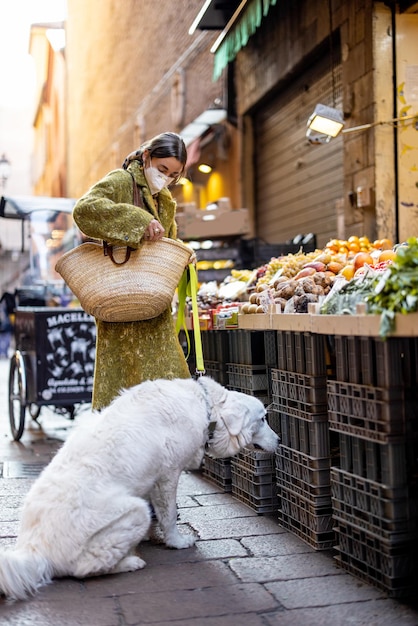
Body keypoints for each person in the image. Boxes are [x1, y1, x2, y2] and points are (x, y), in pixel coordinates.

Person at [73, 131, 193, 410]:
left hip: (155, 301)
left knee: (168, 382)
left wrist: (182, 254)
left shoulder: (165, 200)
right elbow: (84, 210)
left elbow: (164, 242)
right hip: (121, 298)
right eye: (162, 169)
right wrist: (137, 220)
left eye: (173, 174)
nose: (166, 178)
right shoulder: (121, 181)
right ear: (147, 157)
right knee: (123, 389)